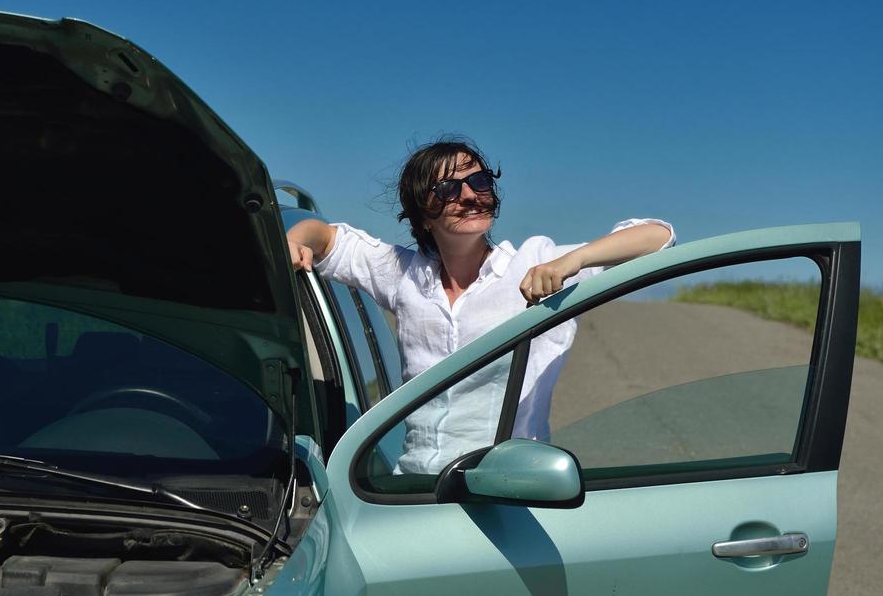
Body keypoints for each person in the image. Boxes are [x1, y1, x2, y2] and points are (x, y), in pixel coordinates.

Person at [286, 138, 673, 473]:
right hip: (410, 493)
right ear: (422, 214)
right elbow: (324, 235)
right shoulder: (402, 273)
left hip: (509, 491)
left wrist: (573, 261)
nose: (470, 195)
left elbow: (658, 236)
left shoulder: (535, 262)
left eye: (479, 181)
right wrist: (292, 240)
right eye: (448, 189)